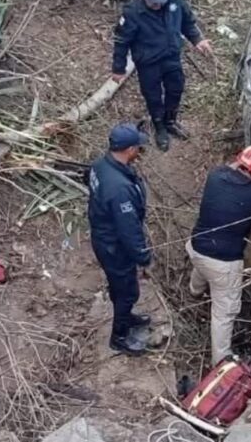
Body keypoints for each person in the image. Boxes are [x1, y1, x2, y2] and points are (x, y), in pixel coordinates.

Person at [187, 146, 251, 365]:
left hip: (195, 247)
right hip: (223, 263)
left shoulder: (215, 177)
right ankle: (220, 360)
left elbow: (230, 173)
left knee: (203, 266)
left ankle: (194, 291)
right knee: (224, 314)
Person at [112, 0, 213, 152]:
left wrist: (198, 40)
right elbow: (121, 41)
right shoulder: (132, 12)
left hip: (171, 55)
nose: (158, 5)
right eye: (153, 2)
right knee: (153, 96)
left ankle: (170, 121)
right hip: (148, 62)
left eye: (161, 0)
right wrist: (118, 68)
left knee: (176, 88)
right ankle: (159, 127)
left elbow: (187, 22)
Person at [87, 123, 152, 356]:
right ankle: (119, 337)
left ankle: (126, 317)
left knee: (119, 287)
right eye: (138, 147)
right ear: (129, 149)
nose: (139, 151)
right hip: (114, 246)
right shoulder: (119, 189)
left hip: (103, 236)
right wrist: (142, 255)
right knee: (127, 292)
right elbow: (129, 229)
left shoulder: (100, 165)